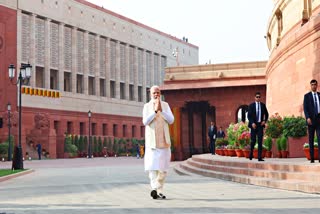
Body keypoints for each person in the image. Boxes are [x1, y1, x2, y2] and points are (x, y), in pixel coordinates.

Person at [142, 85, 174, 200]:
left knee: (163, 169)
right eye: (154, 93)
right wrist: (155, 111)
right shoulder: (146, 106)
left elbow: (171, 120)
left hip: (164, 142)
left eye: (158, 92)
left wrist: (162, 110)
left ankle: (157, 188)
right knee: (152, 168)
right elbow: (145, 121)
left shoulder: (165, 105)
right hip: (152, 143)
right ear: (150, 94)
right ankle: (156, 190)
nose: (156, 94)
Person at [247, 92, 269, 161]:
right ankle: (251, 154)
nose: (258, 98)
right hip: (254, 125)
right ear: (254, 97)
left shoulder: (263, 105)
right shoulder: (251, 105)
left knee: (260, 141)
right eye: (257, 97)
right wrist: (252, 123)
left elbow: (267, 114)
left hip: (260, 125)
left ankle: (259, 157)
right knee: (253, 141)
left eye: (259, 97)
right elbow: (249, 116)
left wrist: (264, 121)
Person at [303, 79, 320, 163]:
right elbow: (305, 108)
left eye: (315, 84)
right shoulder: (307, 96)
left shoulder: (319, 95)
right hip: (311, 120)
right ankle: (312, 158)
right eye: (312, 84)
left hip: (319, 120)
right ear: (311, 86)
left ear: (317, 85)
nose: (314, 86)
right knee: (311, 139)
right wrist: (307, 117)